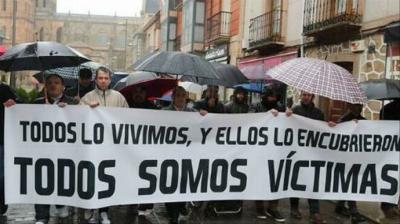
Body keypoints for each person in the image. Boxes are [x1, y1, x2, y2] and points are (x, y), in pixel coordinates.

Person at [80, 67, 128, 224]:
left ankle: (104, 211)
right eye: (100, 78)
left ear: (110, 79)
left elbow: (128, 118)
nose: (103, 81)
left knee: (107, 179)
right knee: (91, 178)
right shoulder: (87, 97)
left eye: (106, 78)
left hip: (111, 147)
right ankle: (90, 208)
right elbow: (77, 117)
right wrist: (88, 109)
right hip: (92, 147)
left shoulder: (119, 97)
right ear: (96, 79)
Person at [33, 74, 78, 224]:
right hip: (42, 152)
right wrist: (12, 105)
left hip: (64, 152)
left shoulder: (72, 103)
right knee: (41, 181)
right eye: (50, 83)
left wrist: (70, 111)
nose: (53, 85)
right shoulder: (36, 103)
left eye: (57, 83)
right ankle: (41, 215)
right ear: (45, 86)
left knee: (62, 179)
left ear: (63, 87)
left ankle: (61, 203)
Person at [288, 91, 326, 224]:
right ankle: (294, 208)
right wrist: (287, 116)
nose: (306, 97)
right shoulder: (295, 110)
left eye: (308, 95)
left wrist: (331, 126)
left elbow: (324, 131)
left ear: (312, 97)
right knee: (296, 178)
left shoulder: (319, 113)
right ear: (301, 96)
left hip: (312, 152)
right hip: (297, 150)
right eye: (304, 94)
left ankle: (314, 211)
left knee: (312, 180)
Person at [250, 87, 286, 223]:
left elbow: (287, 121)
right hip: (259, 149)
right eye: (269, 96)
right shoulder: (256, 106)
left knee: (275, 177)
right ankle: (259, 206)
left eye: (273, 96)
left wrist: (288, 115)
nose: (272, 99)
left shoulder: (280, 107)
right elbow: (250, 118)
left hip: (276, 149)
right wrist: (266, 114)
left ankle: (273, 207)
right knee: (259, 176)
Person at [162, 86, 194, 224]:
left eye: (183, 95)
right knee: (169, 185)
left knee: (183, 184)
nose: (181, 98)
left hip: (186, 156)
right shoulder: (163, 113)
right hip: (169, 157)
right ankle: (172, 215)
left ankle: (181, 205)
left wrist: (204, 115)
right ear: (172, 98)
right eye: (178, 95)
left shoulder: (193, 113)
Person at [330, 103, 367, 224]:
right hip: (345, 158)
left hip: (357, 157)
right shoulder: (343, 120)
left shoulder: (364, 121)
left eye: (360, 106)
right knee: (351, 183)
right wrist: (349, 125)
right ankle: (354, 212)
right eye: (356, 106)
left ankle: (340, 206)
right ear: (350, 107)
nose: (358, 108)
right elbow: (336, 134)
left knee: (350, 183)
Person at [379, 99, 400, 220]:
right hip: (391, 149)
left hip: (393, 148)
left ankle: (393, 204)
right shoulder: (387, 109)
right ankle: (388, 205)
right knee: (391, 176)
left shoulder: (385, 109)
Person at [0, 82, 16, 216]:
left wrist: (13, 103)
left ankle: (1, 204)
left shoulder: (3, 89)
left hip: (1, 139)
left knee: (1, 175)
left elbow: (17, 104)